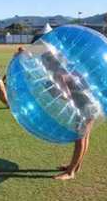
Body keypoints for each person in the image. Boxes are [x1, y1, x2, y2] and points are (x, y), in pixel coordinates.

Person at [41, 51, 96, 181]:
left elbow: (67, 96)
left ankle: (70, 172)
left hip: (83, 107)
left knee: (79, 140)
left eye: (44, 62)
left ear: (50, 62)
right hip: (92, 104)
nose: (43, 65)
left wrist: (53, 91)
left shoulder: (58, 74)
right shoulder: (68, 69)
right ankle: (76, 166)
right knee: (85, 137)